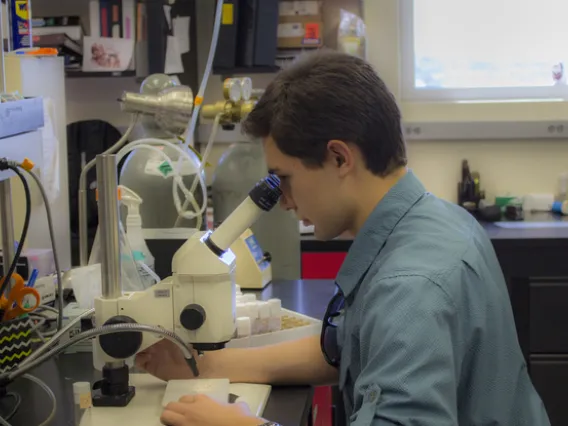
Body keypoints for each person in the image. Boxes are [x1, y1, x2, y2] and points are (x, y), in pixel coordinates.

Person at [136, 50, 551, 426]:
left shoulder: (408, 286)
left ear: (339, 157)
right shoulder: (438, 219)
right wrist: (202, 367)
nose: (284, 201)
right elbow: (347, 346)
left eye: (286, 178)